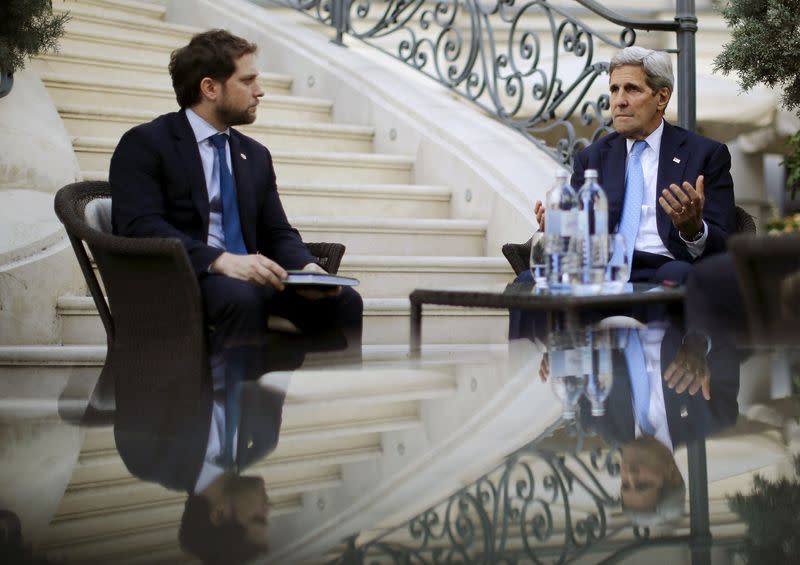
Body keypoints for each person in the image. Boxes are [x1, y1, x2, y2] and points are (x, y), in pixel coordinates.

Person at [109, 29, 362, 354]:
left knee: (344, 302)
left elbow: (277, 231)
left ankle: (338, 401)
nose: (260, 92)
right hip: (185, 281)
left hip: (252, 281)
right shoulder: (146, 144)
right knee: (241, 298)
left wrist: (307, 268)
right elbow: (139, 226)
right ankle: (232, 403)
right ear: (210, 88)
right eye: (247, 81)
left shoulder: (255, 155)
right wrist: (220, 260)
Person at [531, 45, 736, 285]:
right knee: (528, 282)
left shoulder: (706, 155)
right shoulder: (591, 159)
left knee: (678, 277)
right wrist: (557, 229)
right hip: (600, 271)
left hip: (665, 266)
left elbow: (726, 246)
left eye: (631, 89)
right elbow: (578, 238)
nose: (619, 101)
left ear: (662, 97)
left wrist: (694, 230)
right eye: (614, 89)